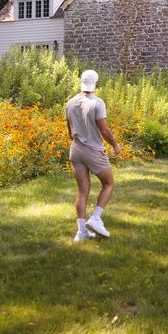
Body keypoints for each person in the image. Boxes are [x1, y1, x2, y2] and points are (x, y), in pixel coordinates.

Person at [66, 69, 121, 242]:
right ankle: (96, 218)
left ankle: (81, 232)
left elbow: (69, 130)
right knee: (108, 183)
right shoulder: (97, 103)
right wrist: (115, 145)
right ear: (96, 83)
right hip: (93, 150)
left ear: (81, 82)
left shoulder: (71, 102)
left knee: (83, 190)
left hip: (75, 150)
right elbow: (104, 129)